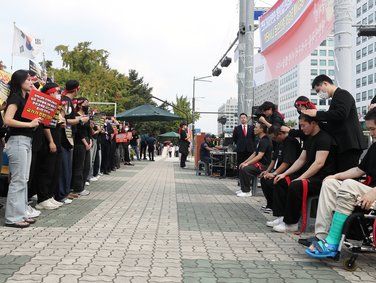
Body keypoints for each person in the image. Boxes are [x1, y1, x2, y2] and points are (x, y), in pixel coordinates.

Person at [301, 108, 376, 251]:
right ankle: (321, 236)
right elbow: (358, 170)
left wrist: (374, 192)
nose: (371, 133)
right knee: (329, 183)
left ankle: (333, 241)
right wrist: (335, 176)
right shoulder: (374, 147)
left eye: (373, 129)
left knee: (349, 185)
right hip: (369, 191)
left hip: (373, 193)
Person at [268, 114, 336, 233]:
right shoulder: (309, 138)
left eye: (304, 125)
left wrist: (300, 178)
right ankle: (282, 216)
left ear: (313, 124)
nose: (302, 128)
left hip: (322, 178)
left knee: (296, 185)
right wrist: (284, 174)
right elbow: (301, 159)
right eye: (301, 126)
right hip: (310, 175)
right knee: (281, 180)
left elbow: (319, 163)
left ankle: (291, 223)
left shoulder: (324, 138)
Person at [302, 75, 367, 172]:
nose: (319, 94)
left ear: (325, 83)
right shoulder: (335, 98)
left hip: (349, 145)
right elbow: (333, 123)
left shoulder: (342, 94)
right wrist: (315, 121)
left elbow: (341, 114)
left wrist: (317, 113)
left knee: (347, 179)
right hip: (343, 145)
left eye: (318, 90)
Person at [3, 70, 42, 228]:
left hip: (25, 141)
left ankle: (20, 213)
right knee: (18, 181)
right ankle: (12, 218)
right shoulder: (15, 97)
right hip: (17, 141)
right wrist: (29, 124)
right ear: (20, 81)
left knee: (22, 180)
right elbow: (7, 120)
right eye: (28, 79)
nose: (31, 82)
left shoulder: (25, 98)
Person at [35, 83, 66, 209]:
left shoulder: (56, 106)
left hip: (57, 138)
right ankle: (42, 198)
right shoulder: (44, 105)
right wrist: (51, 141)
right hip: (48, 141)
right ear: (50, 92)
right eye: (57, 91)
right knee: (46, 170)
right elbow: (45, 126)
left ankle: (49, 195)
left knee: (55, 170)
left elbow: (59, 121)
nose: (59, 93)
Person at [260, 125, 301, 214]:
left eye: (274, 137)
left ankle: (280, 211)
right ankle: (271, 205)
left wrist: (274, 173)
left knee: (275, 181)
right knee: (264, 178)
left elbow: (287, 163)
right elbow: (274, 159)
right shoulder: (280, 142)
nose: (273, 140)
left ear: (280, 134)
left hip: (290, 172)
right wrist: (267, 171)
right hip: (280, 170)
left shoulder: (290, 142)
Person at [58, 80, 89, 201]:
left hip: (69, 138)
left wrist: (80, 118)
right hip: (64, 138)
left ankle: (65, 192)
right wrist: (80, 120)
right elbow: (64, 120)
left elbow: (69, 118)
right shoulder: (65, 100)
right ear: (76, 89)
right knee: (64, 168)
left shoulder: (68, 101)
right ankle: (61, 193)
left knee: (68, 168)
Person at [237, 122, 272, 197]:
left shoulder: (265, 140)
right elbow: (254, 154)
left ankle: (247, 191)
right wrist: (245, 162)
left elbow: (259, 156)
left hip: (264, 166)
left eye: (256, 127)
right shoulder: (260, 140)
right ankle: (243, 188)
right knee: (241, 166)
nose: (254, 129)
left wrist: (247, 164)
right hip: (258, 164)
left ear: (261, 129)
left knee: (245, 168)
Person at [71, 98, 92, 196]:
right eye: (85, 103)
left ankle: (82, 185)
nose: (87, 105)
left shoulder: (86, 116)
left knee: (87, 166)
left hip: (88, 142)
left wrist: (90, 141)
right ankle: (77, 187)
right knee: (79, 166)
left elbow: (89, 130)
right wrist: (85, 143)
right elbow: (79, 131)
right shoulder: (76, 116)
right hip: (80, 143)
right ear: (79, 105)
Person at [232, 113, 255, 177]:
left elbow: (254, 138)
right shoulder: (237, 128)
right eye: (241, 118)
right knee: (240, 163)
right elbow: (234, 139)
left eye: (244, 117)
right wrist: (240, 144)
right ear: (240, 119)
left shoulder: (252, 127)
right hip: (240, 149)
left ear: (247, 118)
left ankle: (249, 177)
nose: (243, 119)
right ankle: (240, 177)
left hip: (250, 149)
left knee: (249, 164)